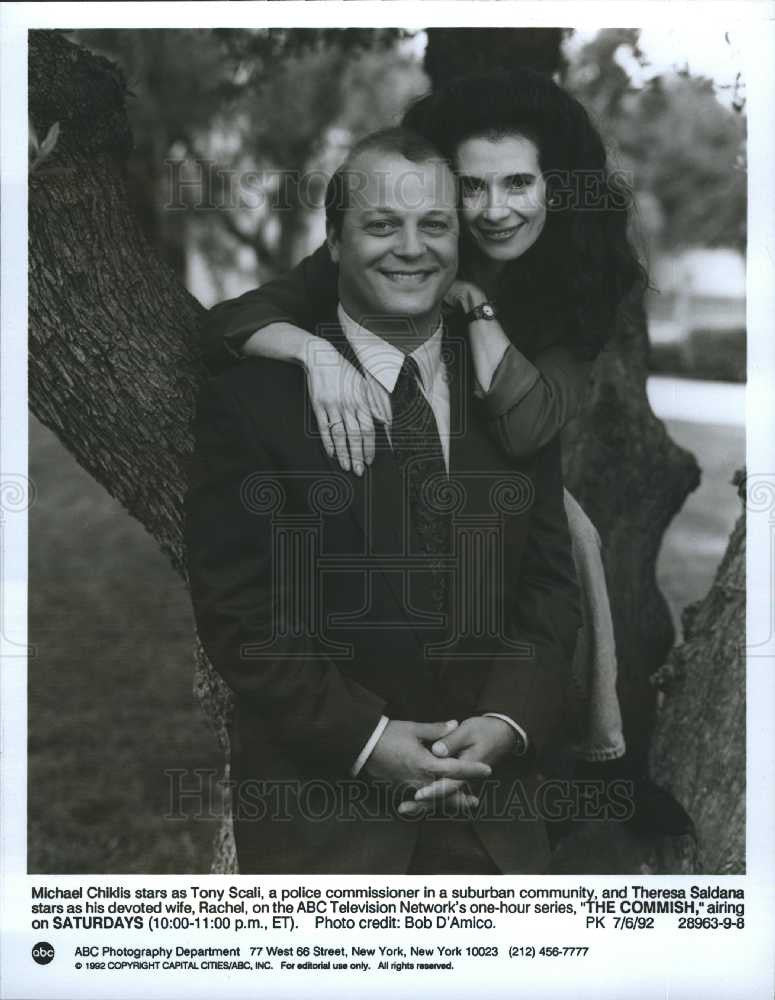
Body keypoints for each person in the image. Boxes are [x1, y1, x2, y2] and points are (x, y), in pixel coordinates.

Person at [199, 69, 643, 768]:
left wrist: (474, 309)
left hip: (513, 447)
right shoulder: (417, 237)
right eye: (471, 187)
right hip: (395, 423)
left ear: (555, 185)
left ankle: (586, 741)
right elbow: (233, 320)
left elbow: (530, 427)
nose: (493, 210)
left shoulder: (581, 274)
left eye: (518, 184)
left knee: (568, 546)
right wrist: (315, 354)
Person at [185, 127, 581, 874]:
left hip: (494, 812)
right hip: (328, 819)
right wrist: (366, 740)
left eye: (433, 224)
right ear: (333, 241)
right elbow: (239, 609)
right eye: (380, 225)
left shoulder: (505, 390)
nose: (411, 247)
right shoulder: (252, 402)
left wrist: (505, 721)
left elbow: (548, 586)